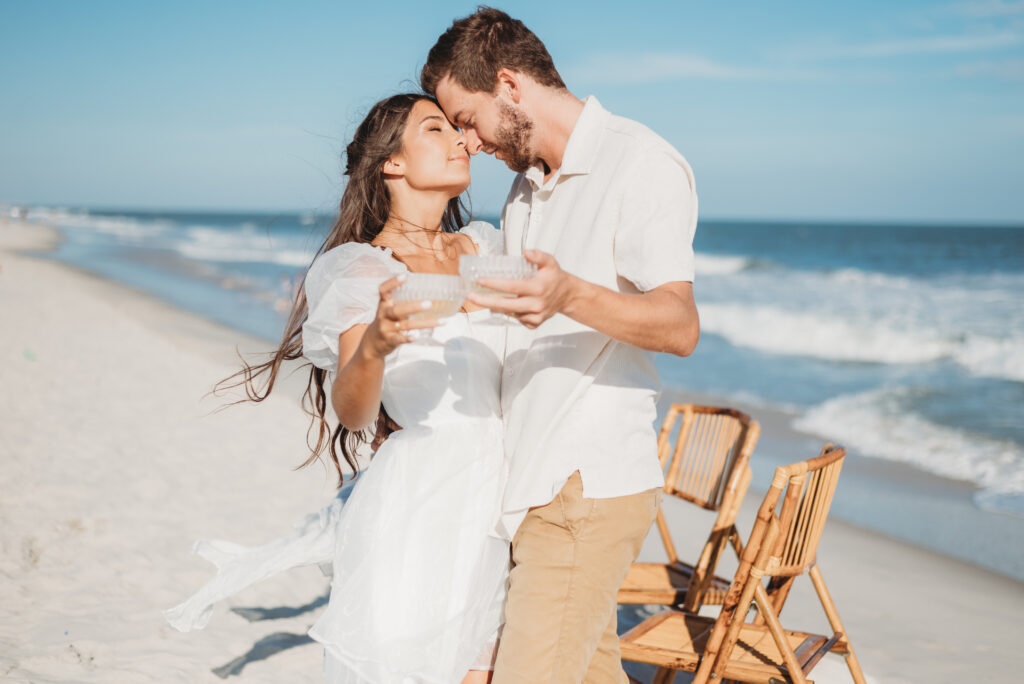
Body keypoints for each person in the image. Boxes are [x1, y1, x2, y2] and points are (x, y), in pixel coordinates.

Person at [165, 93, 510, 684]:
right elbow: (353, 412)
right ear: (392, 164)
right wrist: (375, 344)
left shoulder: (487, 247)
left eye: (457, 128)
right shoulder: (363, 269)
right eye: (436, 128)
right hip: (420, 498)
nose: (460, 140)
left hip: (499, 496)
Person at [421, 8, 700, 684]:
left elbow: (679, 325)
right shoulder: (524, 192)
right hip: (532, 485)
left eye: (466, 118)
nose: (469, 141)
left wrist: (569, 294)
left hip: (584, 484)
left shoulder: (641, 163)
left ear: (509, 85)